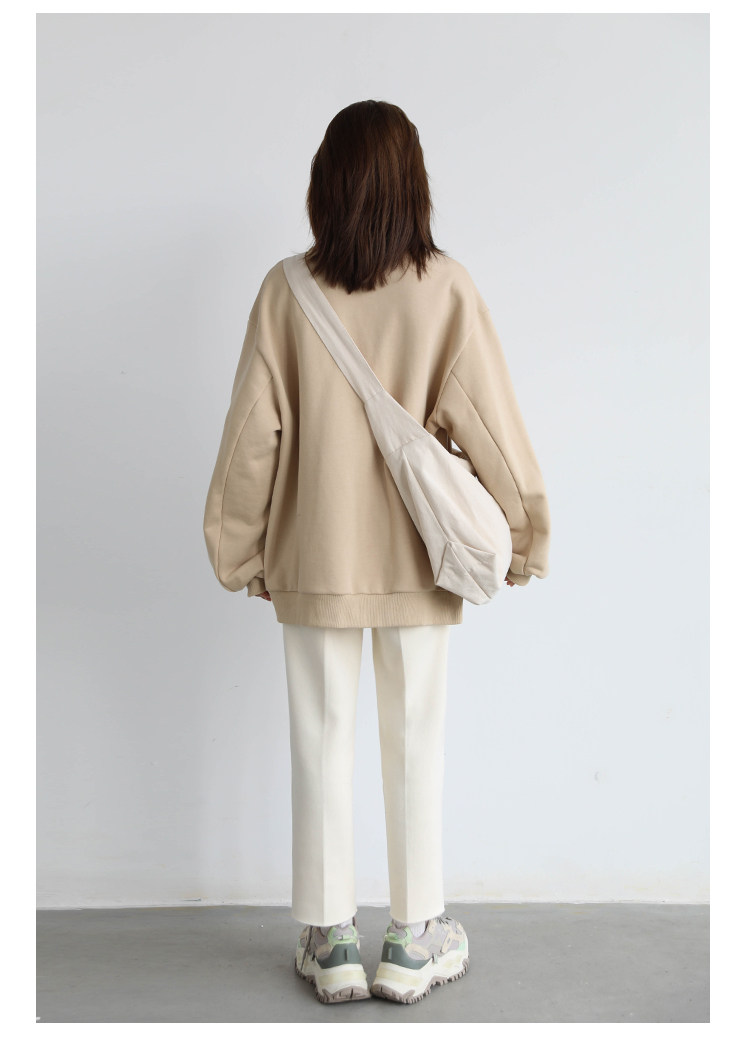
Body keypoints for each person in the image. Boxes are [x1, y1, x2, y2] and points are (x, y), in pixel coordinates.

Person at [203, 99, 550, 1006]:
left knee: (320, 738)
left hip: (316, 559)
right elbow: (490, 426)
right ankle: (411, 937)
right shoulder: (447, 289)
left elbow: (252, 437)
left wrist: (240, 551)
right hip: (419, 563)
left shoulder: (285, 292)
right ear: (413, 186)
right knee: (414, 737)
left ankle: (329, 942)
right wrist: (524, 533)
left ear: (325, 184)